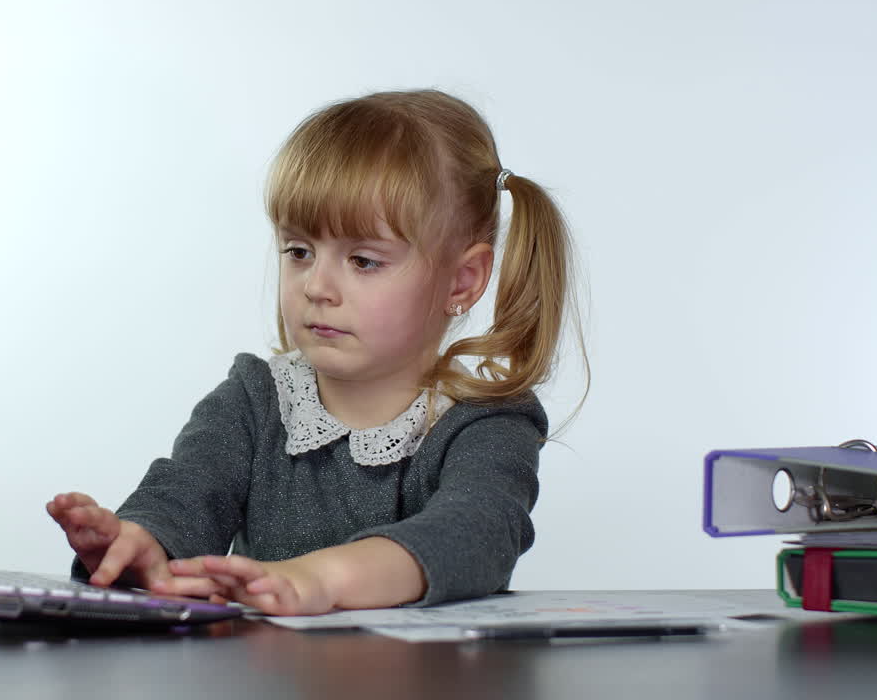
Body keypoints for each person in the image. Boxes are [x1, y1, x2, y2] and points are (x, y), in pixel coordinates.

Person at [46, 89, 583, 616]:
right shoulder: (254, 400)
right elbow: (186, 495)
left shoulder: (487, 422)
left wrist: (319, 579)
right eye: (299, 252)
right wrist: (144, 546)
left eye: (364, 260)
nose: (317, 286)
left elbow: (476, 531)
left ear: (462, 281)